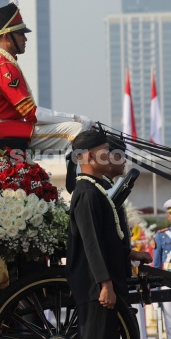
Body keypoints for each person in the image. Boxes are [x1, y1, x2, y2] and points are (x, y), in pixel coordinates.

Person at [66, 130, 151, 338]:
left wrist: (130, 254)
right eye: (104, 151)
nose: (110, 156)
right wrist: (105, 285)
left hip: (105, 286)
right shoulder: (86, 193)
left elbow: (106, 239)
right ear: (88, 157)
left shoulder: (95, 190)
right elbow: (92, 243)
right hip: (96, 290)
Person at [0, 1, 92, 151]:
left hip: (7, 128)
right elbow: (32, 113)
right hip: (3, 132)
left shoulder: (2, 63)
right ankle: (79, 175)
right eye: (21, 34)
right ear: (7, 37)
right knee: (76, 130)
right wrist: (75, 118)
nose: (25, 39)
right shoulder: (3, 66)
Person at [153, 199, 171, 335]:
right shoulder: (161, 236)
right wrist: (155, 291)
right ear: (168, 216)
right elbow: (157, 266)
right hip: (167, 282)